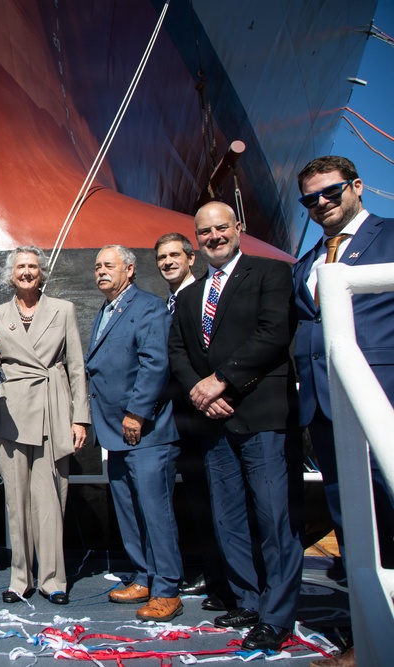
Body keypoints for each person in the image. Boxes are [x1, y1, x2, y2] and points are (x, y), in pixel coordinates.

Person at [167, 201, 302, 652]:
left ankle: (277, 616)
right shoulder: (190, 296)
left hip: (261, 415)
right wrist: (200, 392)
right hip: (213, 422)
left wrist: (221, 381)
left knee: (274, 518)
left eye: (221, 228)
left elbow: (274, 333)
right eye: (205, 232)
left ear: (238, 227)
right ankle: (248, 598)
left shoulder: (270, 273)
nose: (214, 237)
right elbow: (178, 351)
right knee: (228, 518)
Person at [294, 156, 394, 667]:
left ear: (357, 186)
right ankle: (369, 636)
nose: (320, 204)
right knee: (353, 523)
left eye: (330, 192)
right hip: (325, 408)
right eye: (309, 199)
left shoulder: (390, 237)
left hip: (381, 398)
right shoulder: (308, 260)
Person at [0, 246, 90, 605]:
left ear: (42, 273)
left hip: (53, 408)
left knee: (51, 498)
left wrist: (80, 417)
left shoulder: (64, 310)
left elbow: (76, 366)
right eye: (20, 266)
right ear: (11, 274)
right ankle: (20, 577)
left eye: (33, 266)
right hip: (11, 410)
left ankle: (53, 580)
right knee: (16, 499)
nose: (26, 272)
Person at [86, 245, 182, 620]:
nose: (100, 271)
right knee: (129, 511)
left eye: (108, 265)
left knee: (155, 512)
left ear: (129, 269)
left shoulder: (148, 307)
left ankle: (167, 588)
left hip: (145, 432)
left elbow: (155, 362)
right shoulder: (106, 310)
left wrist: (137, 413)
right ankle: (143, 576)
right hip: (116, 434)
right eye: (97, 266)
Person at [154, 232, 229, 610]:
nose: (168, 262)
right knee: (198, 497)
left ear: (191, 258)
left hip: (210, 411)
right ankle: (213, 573)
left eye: (174, 255)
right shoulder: (165, 303)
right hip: (179, 418)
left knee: (223, 498)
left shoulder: (206, 295)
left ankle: (229, 579)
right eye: (162, 258)